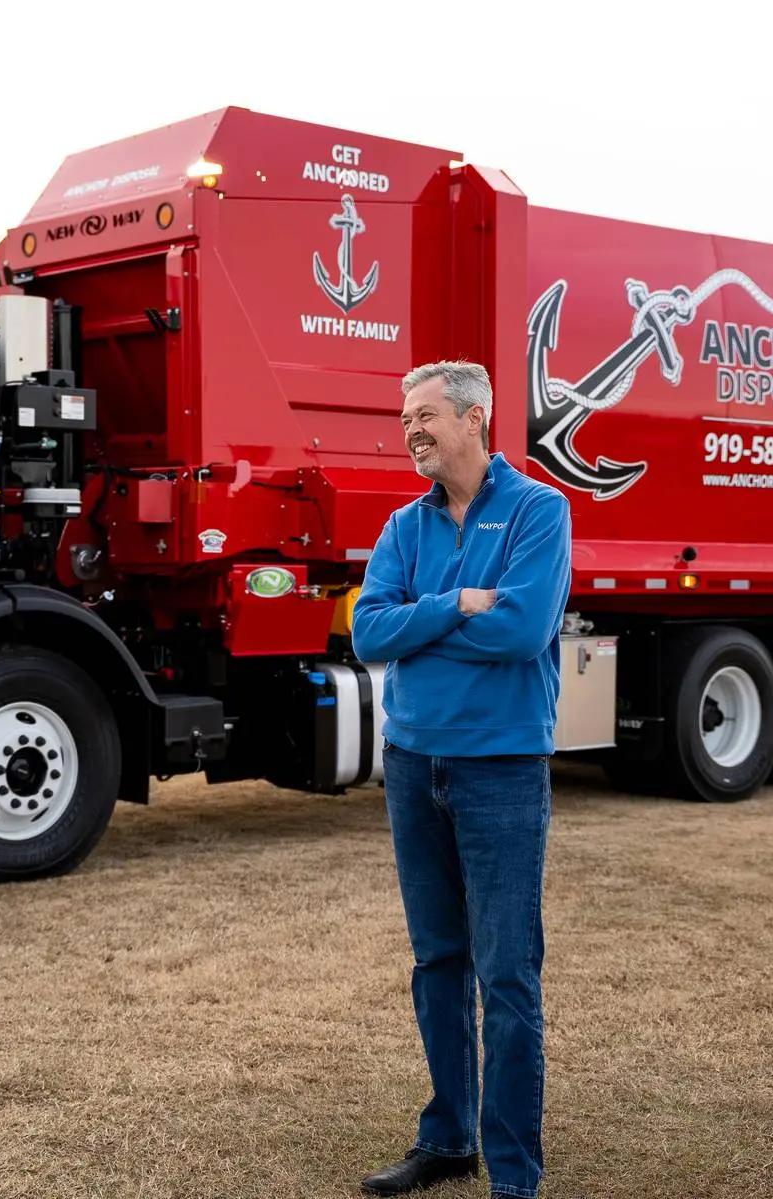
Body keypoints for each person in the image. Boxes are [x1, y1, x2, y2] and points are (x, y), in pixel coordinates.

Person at [350, 360, 572, 1198]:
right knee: (438, 957)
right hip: (413, 765)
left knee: (506, 971)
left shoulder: (539, 510)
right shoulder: (404, 525)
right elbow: (369, 633)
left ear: (476, 419)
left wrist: (429, 620)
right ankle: (447, 1139)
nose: (411, 429)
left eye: (427, 415)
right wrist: (454, 604)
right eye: (405, 416)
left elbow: (519, 630)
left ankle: (513, 1172)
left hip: (501, 771)